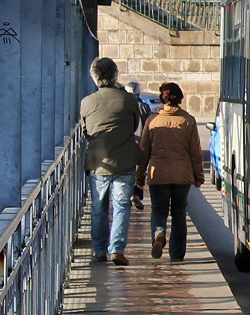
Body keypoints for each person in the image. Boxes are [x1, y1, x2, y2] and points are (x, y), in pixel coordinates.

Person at [81, 57, 145, 266]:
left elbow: (85, 131)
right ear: (115, 75)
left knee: (99, 208)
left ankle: (99, 250)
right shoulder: (128, 100)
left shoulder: (87, 102)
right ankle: (117, 249)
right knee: (121, 206)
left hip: (98, 163)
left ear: (94, 77)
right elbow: (135, 125)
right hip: (125, 161)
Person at [137, 82, 204, 261]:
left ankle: (158, 235)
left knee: (159, 210)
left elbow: (144, 150)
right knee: (179, 212)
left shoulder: (152, 120)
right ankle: (177, 254)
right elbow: (195, 152)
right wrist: (199, 176)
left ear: (162, 99)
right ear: (180, 98)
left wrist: (139, 176)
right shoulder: (188, 120)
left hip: (157, 174)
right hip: (182, 175)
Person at [125, 81, 153, 210]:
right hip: (141, 143)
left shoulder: (122, 105)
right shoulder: (144, 106)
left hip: (126, 143)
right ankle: (136, 194)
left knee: (126, 170)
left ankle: (127, 193)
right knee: (140, 171)